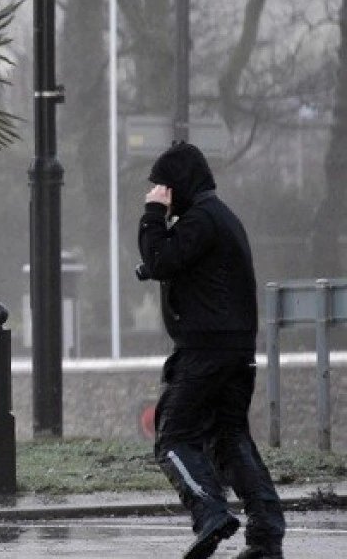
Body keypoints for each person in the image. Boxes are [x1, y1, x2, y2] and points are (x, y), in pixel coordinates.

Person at [137, 141, 285, 559]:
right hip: (236, 349)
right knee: (230, 438)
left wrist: (152, 216)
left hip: (206, 351)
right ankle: (266, 535)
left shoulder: (200, 219)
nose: (159, 194)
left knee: (172, 437)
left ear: (178, 183)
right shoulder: (219, 218)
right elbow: (174, 263)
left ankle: (210, 512)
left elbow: (162, 259)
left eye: (163, 187)